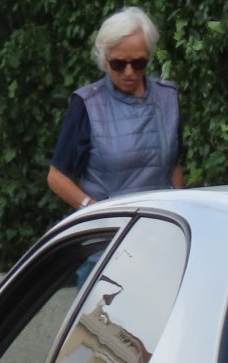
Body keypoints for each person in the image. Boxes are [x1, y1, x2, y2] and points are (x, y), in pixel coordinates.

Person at [47, 7, 184, 212]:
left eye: (138, 63)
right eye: (119, 64)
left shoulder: (168, 97)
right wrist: (93, 210)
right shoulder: (86, 104)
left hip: (164, 224)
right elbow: (56, 177)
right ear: (104, 59)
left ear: (148, 56)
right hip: (111, 230)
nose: (129, 72)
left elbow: (176, 165)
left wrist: (181, 207)